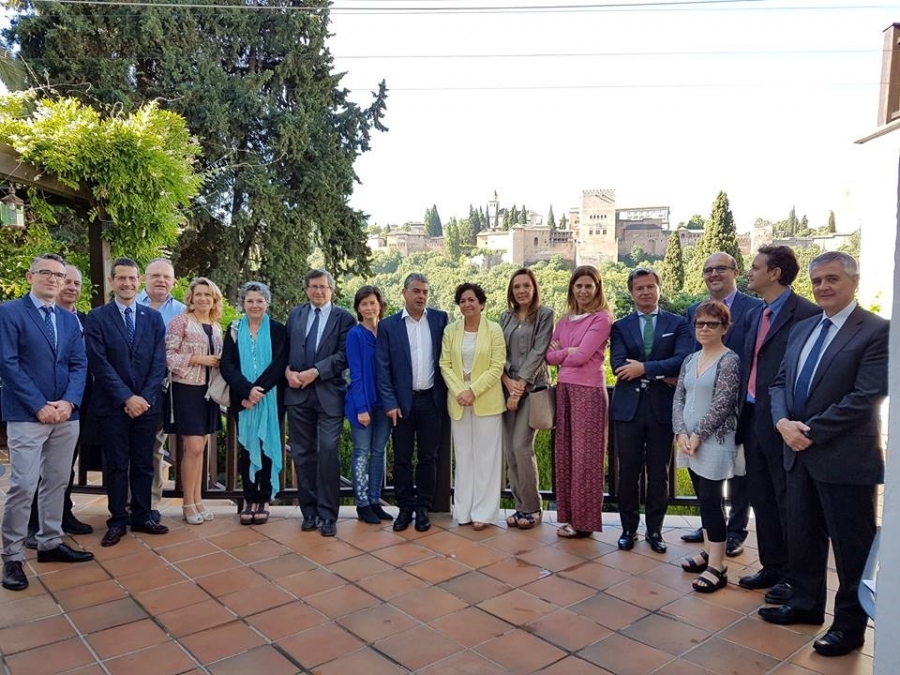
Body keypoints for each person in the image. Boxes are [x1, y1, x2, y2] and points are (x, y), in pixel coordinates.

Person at [760, 252, 887, 658]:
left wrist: (807, 433)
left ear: (854, 281)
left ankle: (849, 627)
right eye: (817, 281)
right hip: (796, 452)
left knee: (852, 548)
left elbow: (866, 396)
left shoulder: (877, 331)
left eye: (832, 278)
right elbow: (778, 383)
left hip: (845, 459)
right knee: (803, 537)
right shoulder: (802, 328)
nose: (823, 287)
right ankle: (805, 603)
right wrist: (782, 424)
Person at [1, 254, 93, 591]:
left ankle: (51, 542)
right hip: (27, 415)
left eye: (59, 274)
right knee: (24, 485)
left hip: (66, 415)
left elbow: (79, 364)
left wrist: (69, 402)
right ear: (30, 277)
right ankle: (11, 556)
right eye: (46, 273)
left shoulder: (69, 320)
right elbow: (8, 365)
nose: (54, 279)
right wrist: (39, 405)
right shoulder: (9, 313)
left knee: (56, 481)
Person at [737, 246, 819, 604]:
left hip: (785, 420)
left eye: (755, 267)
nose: (749, 272)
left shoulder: (808, 314)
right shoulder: (757, 313)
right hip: (753, 415)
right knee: (763, 496)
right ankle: (771, 566)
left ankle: (792, 576)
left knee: (790, 500)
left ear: (775, 273)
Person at [85, 258, 169, 547]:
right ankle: (118, 519)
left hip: (147, 406)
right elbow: (99, 363)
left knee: (144, 464)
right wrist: (126, 397)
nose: (128, 283)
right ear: (112, 281)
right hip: (113, 406)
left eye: (133, 278)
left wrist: (143, 398)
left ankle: (143, 515)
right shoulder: (97, 317)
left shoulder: (153, 318)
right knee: (117, 465)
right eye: (122, 278)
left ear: (139, 281)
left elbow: (159, 362)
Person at [682, 252, 762, 556]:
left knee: (739, 472)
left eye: (720, 269)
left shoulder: (754, 309)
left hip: (741, 407)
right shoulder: (696, 309)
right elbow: (693, 357)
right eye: (708, 270)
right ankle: (709, 527)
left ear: (735, 272)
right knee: (703, 471)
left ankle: (736, 531)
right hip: (702, 408)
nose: (714, 274)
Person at [611, 268, 691, 554]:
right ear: (631, 292)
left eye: (650, 287)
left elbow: (682, 360)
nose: (645, 292)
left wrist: (644, 368)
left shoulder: (678, 323)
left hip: (661, 407)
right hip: (628, 409)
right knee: (628, 472)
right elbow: (618, 366)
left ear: (659, 288)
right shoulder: (620, 326)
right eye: (639, 288)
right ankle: (628, 529)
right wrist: (660, 370)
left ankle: (655, 530)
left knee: (659, 473)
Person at [673, 300, 741, 594]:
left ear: (724, 328)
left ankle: (718, 565)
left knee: (713, 501)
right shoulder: (689, 359)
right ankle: (708, 552)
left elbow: (723, 402)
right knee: (702, 498)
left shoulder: (729, 360)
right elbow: (678, 397)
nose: (704, 328)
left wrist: (699, 434)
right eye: (700, 323)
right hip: (688, 441)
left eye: (711, 324)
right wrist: (680, 432)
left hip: (713, 441)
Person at [25, 265, 94, 550]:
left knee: (63, 466)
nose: (71, 287)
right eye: (68, 281)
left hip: (75, 403)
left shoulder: (82, 319)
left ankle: (63, 514)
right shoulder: (35, 317)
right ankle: (33, 525)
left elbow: (82, 362)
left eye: (77, 283)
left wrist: (72, 400)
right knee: (35, 470)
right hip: (41, 404)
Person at [376, 273, 449, 533]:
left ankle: (423, 508)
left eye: (425, 292)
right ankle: (405, 507)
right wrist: (390, 402)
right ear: (404, 293)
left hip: (432, 400)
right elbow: (382, 368)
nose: (421, 296)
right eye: (416, 291)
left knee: (429, 457)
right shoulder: (389, 326)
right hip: (401, 403)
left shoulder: (440, 320)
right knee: (403, 457)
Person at [285, 270, 355, 537]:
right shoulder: (296, 315)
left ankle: (328, 515)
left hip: (328, 395)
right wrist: (288, 372)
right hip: (298, 395)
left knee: (327, 452)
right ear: (306, 289)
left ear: (331, 289)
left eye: (323, 287)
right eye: (314, 287)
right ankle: (309, 512)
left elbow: (343, 356)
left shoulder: (344, 318)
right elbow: (286, 350)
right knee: (302, 455)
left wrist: (315, 372)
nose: (318, 291)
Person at [545, 265, 613, 538]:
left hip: (589, 391)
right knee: (565, 453)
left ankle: (584, 522)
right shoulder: (563, 321)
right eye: (579, 285)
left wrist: (564, 352)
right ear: (571, 288)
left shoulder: (601, 319)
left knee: (586, 457)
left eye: (589, 286)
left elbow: (582, 355)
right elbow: (547, 356)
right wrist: (565, 353)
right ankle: (569, 516)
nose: (583, 291)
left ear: (597, 289)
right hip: (564, 388)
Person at [220, 281, 287, 526]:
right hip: (243, 400)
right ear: (243, 303)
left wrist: (259, 390)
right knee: (247, 448)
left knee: (268, 446)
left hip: (271, 399)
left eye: (260, 300)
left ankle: (265, 499)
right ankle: (249, 497)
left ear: (267, 303)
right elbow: (227, 364)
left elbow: (280, 364)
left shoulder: (279, 330)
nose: (255, 305)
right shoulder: (234, 328)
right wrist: (246, 391)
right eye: (250, 301)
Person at [440, 283, 506, 530]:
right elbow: (444, 364)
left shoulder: (494, 330)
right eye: (462, 301)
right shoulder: (451, 331)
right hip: (458, 402)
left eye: (471, 300)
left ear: (481, 303)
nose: (467, 304)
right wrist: (460, 392)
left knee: (486, 458)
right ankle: (464, 511)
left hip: (486, 401)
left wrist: (473, 391)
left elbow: (497, 366)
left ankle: (484, 513)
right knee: (464, 457)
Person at [164, 277, 224, 525]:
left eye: (208, 295)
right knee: (194, 448)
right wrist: (199, 360)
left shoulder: (216, 325)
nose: (203, 299)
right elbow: (167, 356)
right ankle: (187, 503)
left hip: (209, 392)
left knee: (202, 449)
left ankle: (198, 499)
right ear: (191, 297)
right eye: (198, 294)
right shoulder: (181, 321)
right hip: (186, 389)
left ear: (214, 300)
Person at [499, 268, 554, 530]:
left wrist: (519, 386)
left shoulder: (545, 315)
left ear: (534, 289)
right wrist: (507, 382)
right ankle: (520, 507)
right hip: (507, 388)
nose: (521, 291)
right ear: (511, 290)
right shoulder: (505, 317)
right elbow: (499, 353)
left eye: (526, 286)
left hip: (532, 390)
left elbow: (538, 351)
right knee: (510, 449)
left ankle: (533, 507)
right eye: (517, 286)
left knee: (522, 447)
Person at [137, 258, 186, 522]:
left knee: (156, 446)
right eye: (155, 275)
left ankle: (151, 502)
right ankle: (125, 502)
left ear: (174, 281)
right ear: (145, 278)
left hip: (166, 389)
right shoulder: (131, 305)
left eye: (166, 277)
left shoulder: (182, 311)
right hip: (130, 388)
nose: (161, 281)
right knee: (127, 446)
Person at [345, 286, 394, 524]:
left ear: (380, 305)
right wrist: (362, 408)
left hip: (384, 403)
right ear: (358, 308)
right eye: (363, 304)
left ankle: (375, 500)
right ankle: (362, 503)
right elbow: (355, 373)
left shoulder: (385, 332)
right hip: (361, 403)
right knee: (362, 452)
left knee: (378, 452)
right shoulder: (355, 334)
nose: (368, 308)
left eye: (372, 303)